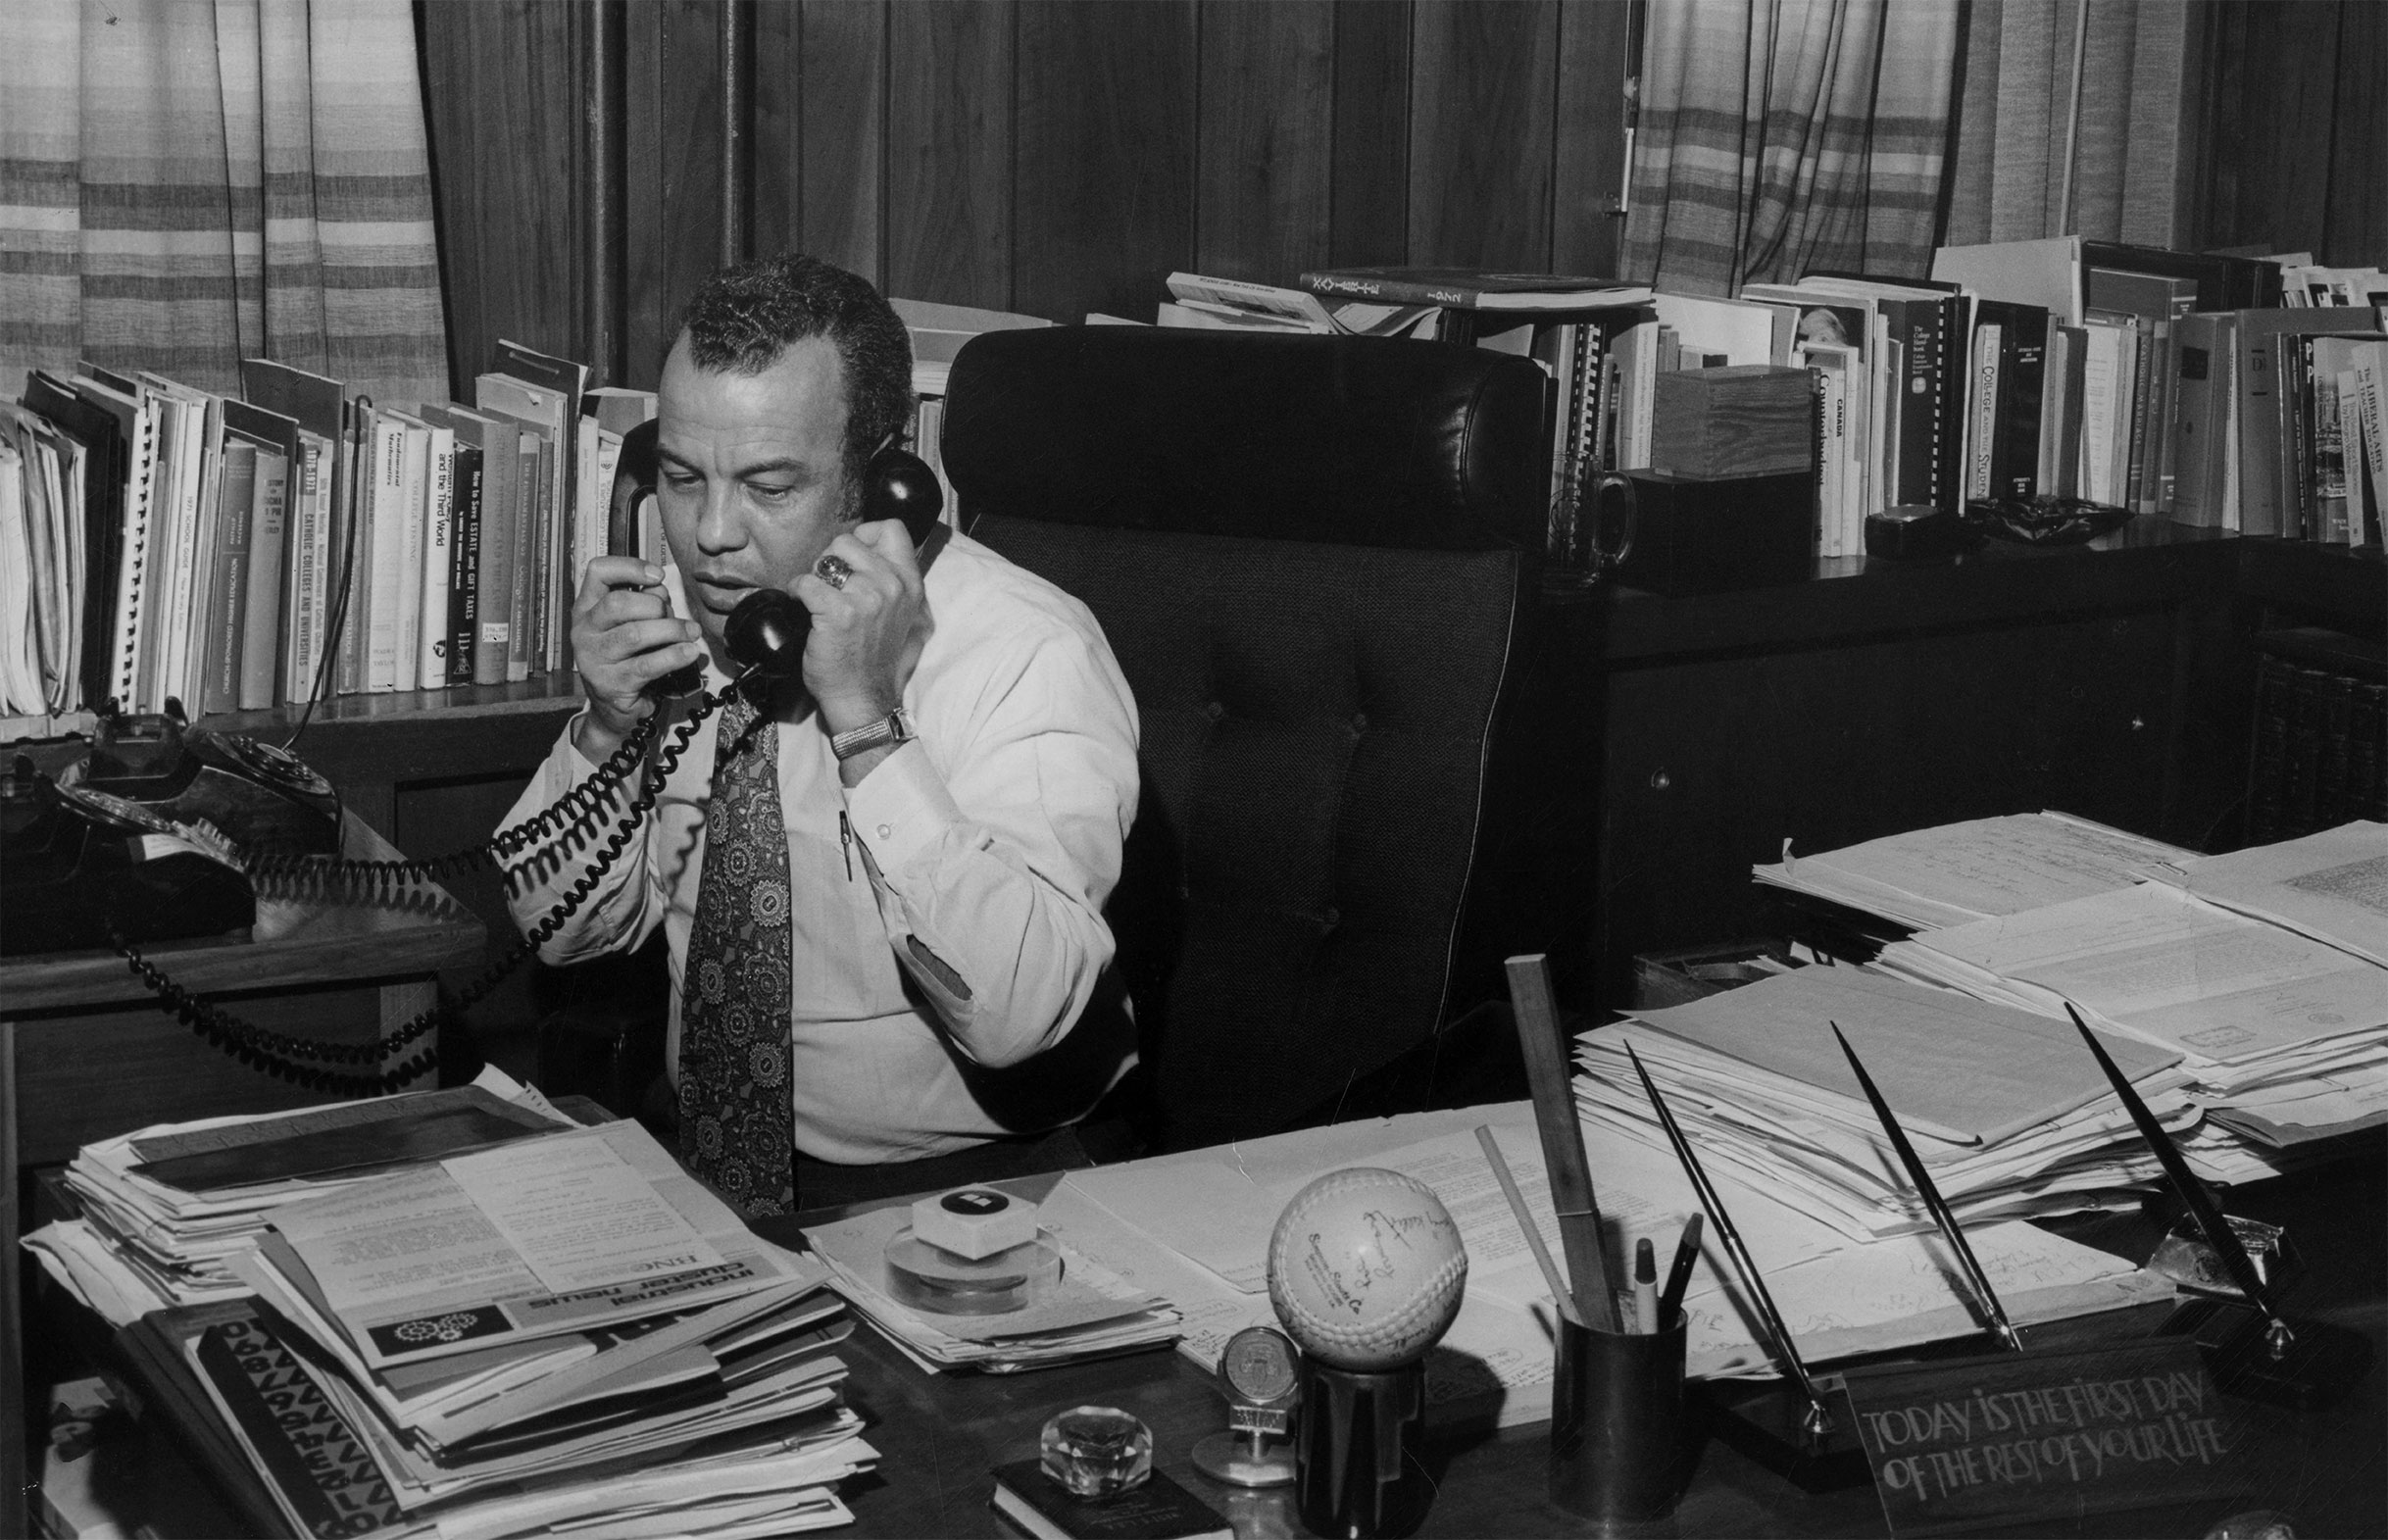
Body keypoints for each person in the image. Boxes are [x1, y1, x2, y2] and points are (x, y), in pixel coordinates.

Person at [502, 253, 1139, 1215]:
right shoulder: (675, 625)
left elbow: (1018, 1014)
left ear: (881, 479)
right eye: (681, 477)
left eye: (768, 485)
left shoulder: (1023, 651)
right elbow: (565, 931)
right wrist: (605, 727)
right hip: (697, 1165)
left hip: (981, 1193)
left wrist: (867, 721)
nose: (711, 534)